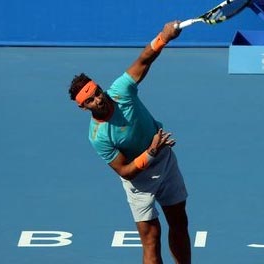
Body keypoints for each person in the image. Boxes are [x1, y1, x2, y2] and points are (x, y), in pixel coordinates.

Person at [68, 20, 191, 264]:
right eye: (90, 101)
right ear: (84, 108)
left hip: (165, 162)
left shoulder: (121, 90)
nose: (98, 100)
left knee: (179, 222)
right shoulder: (98, 136)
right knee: (151, 237)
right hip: (140, 179)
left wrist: (163, 37)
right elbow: (125, 171)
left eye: (97, 93)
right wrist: (151, 151)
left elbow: (144, 59)